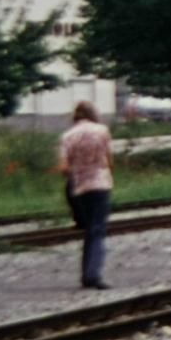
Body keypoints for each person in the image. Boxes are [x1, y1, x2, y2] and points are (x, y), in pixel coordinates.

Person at [57, 100, 115, 290]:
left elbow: (64, 167)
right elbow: (109, 160)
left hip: (78, 188)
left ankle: (86, 274)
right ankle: (92, 275)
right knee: (97, 230)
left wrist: (76, 173)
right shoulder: (102, 131)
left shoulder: (67, 136)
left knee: (88, 228)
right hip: (100, 184)